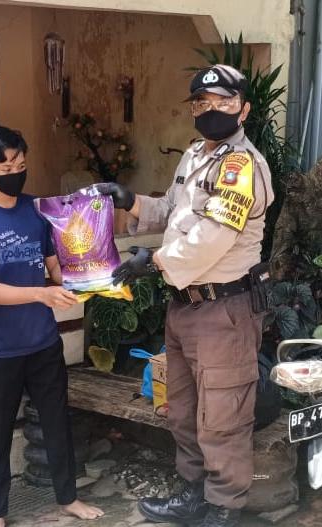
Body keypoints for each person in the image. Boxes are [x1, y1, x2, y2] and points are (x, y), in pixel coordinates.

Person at [98, 64, 274, 527]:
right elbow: (173, 211)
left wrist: (153, 261)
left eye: (224, 102)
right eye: (203, 102)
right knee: (184, 411)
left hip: (224, 310)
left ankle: (224, 509)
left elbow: (212, 237)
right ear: (193, 109)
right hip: (185, 307)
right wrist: (130, 201)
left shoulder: (241, 166)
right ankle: (195, 494)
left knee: (222, 417)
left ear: (244, 109)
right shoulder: (197, 154)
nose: (212, 110)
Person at [0, 126, 105, 527]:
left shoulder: (37, 210)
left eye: (20, 165)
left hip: (42, 341)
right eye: (6, 167)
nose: (15, 173)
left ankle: (68, 498)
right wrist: (41, 294)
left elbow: (54, 267)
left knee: (57, 422)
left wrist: (88, 273)